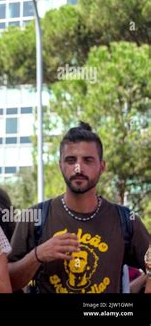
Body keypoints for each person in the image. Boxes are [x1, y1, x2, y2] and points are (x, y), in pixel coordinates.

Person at [8, 122, 150, 293]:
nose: (78, 167)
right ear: (60, 165)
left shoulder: (126, 220)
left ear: (102, 166)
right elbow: (8, 282)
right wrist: (37, 255)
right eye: (70, 160)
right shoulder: (34, 217)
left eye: (87, 160)